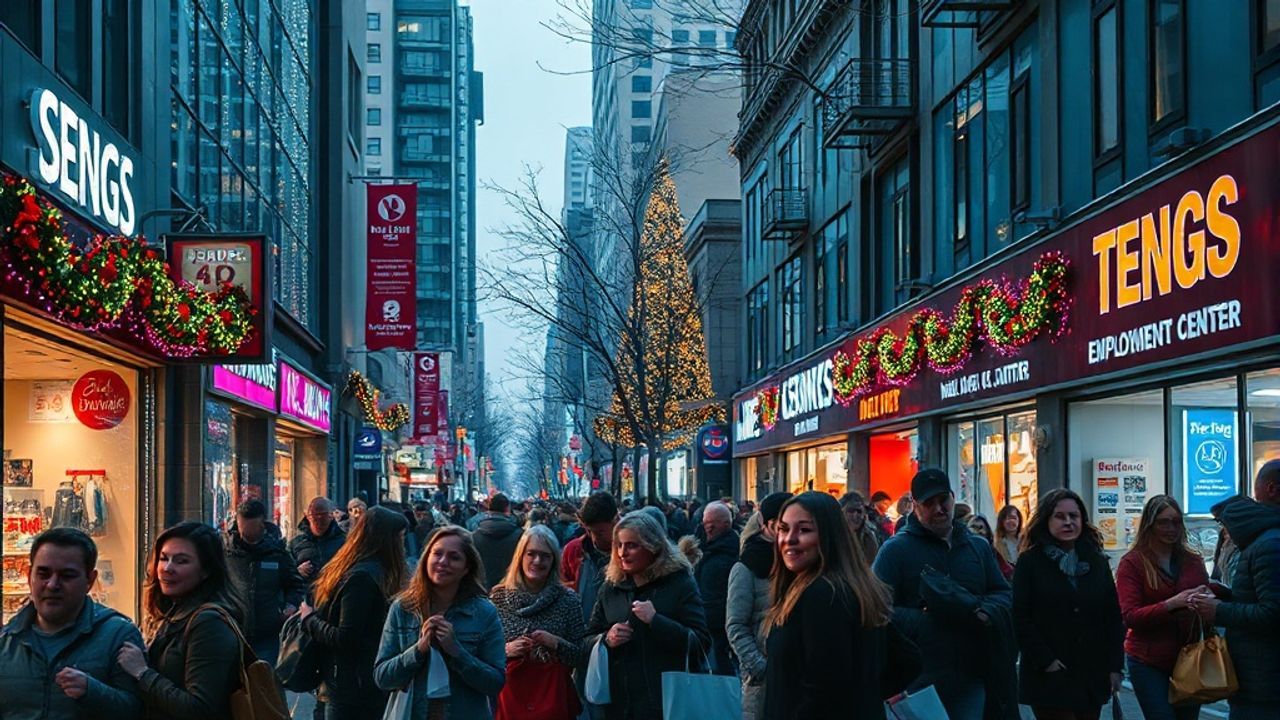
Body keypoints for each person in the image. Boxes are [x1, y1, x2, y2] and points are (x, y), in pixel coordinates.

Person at [873, 469, 1014, 720]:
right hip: (918, 682)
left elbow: (1002, 591)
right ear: (915, 506)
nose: (939, 509)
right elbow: (875, 609)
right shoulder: (895, 551)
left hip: (971, 674)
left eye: (943, 500)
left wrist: (985, 611)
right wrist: (924, 621)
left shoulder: (977, 546)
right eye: (929, 503)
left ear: (952, 498)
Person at [762, 492, 894, 718]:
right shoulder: (852, 588)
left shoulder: (823, 595)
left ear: (829, 536)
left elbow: (824, 693)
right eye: (783, 529)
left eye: (804, 530)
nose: (789, 539)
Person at [0, 527, 143, 718]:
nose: (52, 585)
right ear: (29, 576)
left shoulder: (118, 636)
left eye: (67, 576)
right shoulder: (7, 639)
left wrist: (92, 691)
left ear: (90, 581)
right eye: (43, 574)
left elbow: (139, 710)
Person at [584, 512, 710, 720]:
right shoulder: (611, 588)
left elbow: (701, 643)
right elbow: (587, 639)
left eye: (632, 545)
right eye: (619, 545)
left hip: (668, 704)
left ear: (653, 547)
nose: (623, 553)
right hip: (619, 706)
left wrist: (656, 621)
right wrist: (606, 639)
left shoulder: (679, 583)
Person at [1012, 488, 1123, 720]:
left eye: (1074, 516)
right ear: (1047, 520)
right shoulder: (1030, 562)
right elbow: (1020, 617)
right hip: (1049, 674)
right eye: (1060, 516)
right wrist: (1046, 661)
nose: (1068, 522)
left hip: (1090, 673)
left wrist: (1115, 666)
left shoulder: (1096, 562)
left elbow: (1112, 617)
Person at [116, 522, 245, 720]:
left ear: (206, 570)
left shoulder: (209, 623)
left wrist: (142, 672)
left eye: (181, 561)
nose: (167, 568)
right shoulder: (171, 612)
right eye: (163, 558)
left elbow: (200, 708)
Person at [374, 525, 506, 718]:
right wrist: (418, 650)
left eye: (454, 557)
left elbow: (495, 683)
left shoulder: (484, 613)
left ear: (466, 568)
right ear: (426, 558)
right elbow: (382, 677)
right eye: (437, 554)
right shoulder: (403, 608)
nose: (443, 562)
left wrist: (456, 651)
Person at [300, 505, 409, 719]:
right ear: (386, 540)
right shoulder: (363, 578)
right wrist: (309, 619)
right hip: (351, 686)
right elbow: (345, 637)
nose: (402, 544)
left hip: (356, 683)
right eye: (400, 537)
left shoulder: (368, 572)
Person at [1189, 473, 1280, 720]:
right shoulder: (1263, 542)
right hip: (1259, 677)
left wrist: (1218, 610)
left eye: (1223, 525)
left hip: (1264, 683)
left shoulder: (1268, 544)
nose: (1224, 533)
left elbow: (1272, 612)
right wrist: (1226, 595)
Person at [1115, 495, 1209, 720]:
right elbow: (1130, 616)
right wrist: (1171, 605)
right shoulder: (1133, 563)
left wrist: (1213, 594)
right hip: (1148, 660)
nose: (1171, 528)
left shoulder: (1192, 561)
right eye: (1163, 522)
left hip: (1190, 656)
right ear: (1150, 524)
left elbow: (1205, 591)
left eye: (1176, 522)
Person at [491, 524, 586, 720]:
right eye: (531, 554)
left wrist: (555, 643)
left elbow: (580, 656)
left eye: (545, 556)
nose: (537, 561)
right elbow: (483, 655)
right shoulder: (498, 598)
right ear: (520, 556)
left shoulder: (568, 600)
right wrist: (506, 650)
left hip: (553, 700)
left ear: (554, 560)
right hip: (509, 702)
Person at [725, 492, 791, 720]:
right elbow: (736, 625)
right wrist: (761, 667)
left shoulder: (801, 560)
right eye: (782, 526)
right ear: (767, 524)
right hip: (764, 679)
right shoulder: (746, 567)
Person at [225, 499, 306, 665]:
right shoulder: (227, 553)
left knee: (264, 676)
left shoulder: (277, 552)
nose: (245, 534)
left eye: (251, 529)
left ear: (262, 524)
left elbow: (295, 585)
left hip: (267, 632)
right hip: (233, 629)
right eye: (243, 528)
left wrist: (288, 608)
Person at [694, 502, 739, 676]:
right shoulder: (704, 548)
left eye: (714, 523)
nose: (709, 527)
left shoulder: (728, 552)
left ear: (727, 524)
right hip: (708, 623)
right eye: (706, 522)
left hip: (718, 625)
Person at [290, 496, 348, 588]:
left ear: (331, 517)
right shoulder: (296, 543)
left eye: (323, 521)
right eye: (315, 520)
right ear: (308, 517)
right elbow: (285, 574)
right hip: (305, 592)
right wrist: (297, 572)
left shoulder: (345, 542)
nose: (319, 525)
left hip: (334, 591)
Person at [473, 493, 525, 591]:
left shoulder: (474, 536)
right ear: (507, 509)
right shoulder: (521, 536)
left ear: (489, 509)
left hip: (482, 590)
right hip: (512, 590)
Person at [968, 515, 1014, 580]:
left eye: (980, 528)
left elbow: (1007, 572)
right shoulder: (962, 553)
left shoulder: (993, 554)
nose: (977, 531)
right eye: (973, 527)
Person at [840, 491, 881, 562]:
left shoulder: (869, 536)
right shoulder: (833, 534)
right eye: (851, 510)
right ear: (842, 512)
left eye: (859, 511)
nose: (855, 515)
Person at [995, 505, 1024, 569]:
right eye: (1006, 518)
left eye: (1013, 518)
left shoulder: (1026, 540)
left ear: (1019, 520)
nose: (1010, 521)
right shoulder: (997, 545)